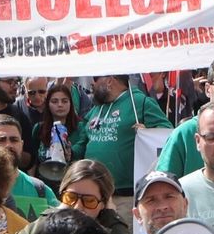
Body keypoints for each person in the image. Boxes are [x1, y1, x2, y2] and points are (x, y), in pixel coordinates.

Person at [68, 73, 171, 212]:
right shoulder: (97, 109)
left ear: (110, 81)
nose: (92, 83)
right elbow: (83, 141)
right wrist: (70, 151)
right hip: (94, 195)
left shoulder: (140, 102)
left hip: (125, 196)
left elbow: (168, 134)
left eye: (96, 79)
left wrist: (148, 132)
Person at [0, 114, 53, 205]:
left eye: (14, 140)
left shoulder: (40, 190)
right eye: (1, 140)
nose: (8, 145)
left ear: (21, 144)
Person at [34, 83, 79, 186]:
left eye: (64, 101)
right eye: (54, 101)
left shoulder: (80, 128)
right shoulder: (39, 128)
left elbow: (81, 152)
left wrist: (71, 153)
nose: (60, 105)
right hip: (44, 186)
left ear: (71, 104)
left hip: (71, 184)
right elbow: (34, 162)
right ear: (48, 104)